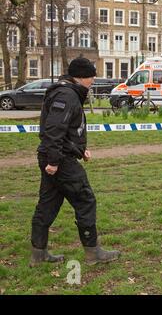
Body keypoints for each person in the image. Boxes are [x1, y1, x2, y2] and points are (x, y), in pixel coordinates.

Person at [30, 57, 120, 267]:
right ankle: (93, 252)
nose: (94, 80)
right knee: (85, 200)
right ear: (80, 77)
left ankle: (38, 253)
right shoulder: (67, 95)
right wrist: (54, 161)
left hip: (58, 156)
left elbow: (67, 129)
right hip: (60, 160)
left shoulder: (66, 92)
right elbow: (54, 130)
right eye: (91, 76)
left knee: (48, 204)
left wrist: (80, 150)